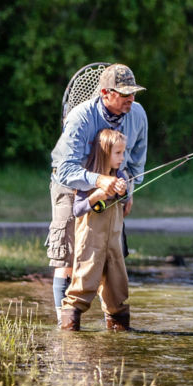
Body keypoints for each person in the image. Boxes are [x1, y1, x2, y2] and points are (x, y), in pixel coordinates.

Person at [46, 63, 147, 324]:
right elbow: (66, 169)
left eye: (133, 93)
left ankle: (113, 325)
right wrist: (98, 181)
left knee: (110, 256)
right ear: (105, 93)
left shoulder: (137, 114)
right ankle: (65, 327)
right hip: (70, 184)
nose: (131, 99)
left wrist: (129, 191)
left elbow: (136, 162)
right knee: (68, 257)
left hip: (114, 186)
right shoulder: (81, 117)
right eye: (124, 94)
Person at [60, 128, 131, 331]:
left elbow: (125, 201)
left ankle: (120, 334)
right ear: (104, 153)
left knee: (117, 291)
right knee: (82, 287)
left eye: (123, 152)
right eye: (117, 153)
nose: (122, 157)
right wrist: (97, 195)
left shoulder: (121, 176)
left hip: (114, 247)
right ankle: (69, 334)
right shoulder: (87, 180)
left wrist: (124, 192)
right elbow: (77, 209)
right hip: (90, 245)